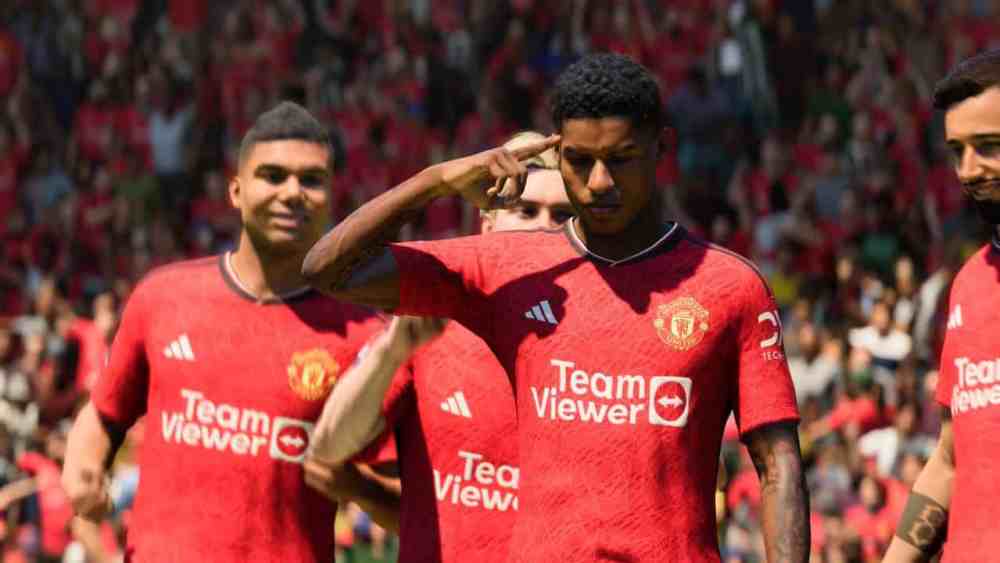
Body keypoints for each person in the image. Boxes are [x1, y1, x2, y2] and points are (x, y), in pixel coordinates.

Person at [302, 53, 808, 562]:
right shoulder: (509, 268)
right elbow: (327, 268)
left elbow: (777, 462)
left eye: (621, 158)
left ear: (661, 149)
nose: (600, 181)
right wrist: (440, 179)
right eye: (580, 161)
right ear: (559, 153)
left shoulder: (731, 286)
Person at [60, 101, 395, 562]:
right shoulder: (163, 297)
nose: (292, 192)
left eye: (311, 180)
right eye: (273, 176)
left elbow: (407, 504)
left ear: (331, 197)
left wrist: (357, 487)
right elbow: (104, 415)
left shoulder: (366, 338)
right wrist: (83, 467)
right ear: (236, 191)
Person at [305, 130, 574, 563]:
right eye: (526, 210)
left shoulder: (599, 348)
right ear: (488, 226)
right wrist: (392, 351)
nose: (544, 227)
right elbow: (329, 451)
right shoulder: (430, 329)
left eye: (562, 216)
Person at [884, 49, 1000, 562]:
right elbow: (952, 459)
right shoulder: (969, 285)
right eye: (957, 151)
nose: (968, 170)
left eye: (989, 147)